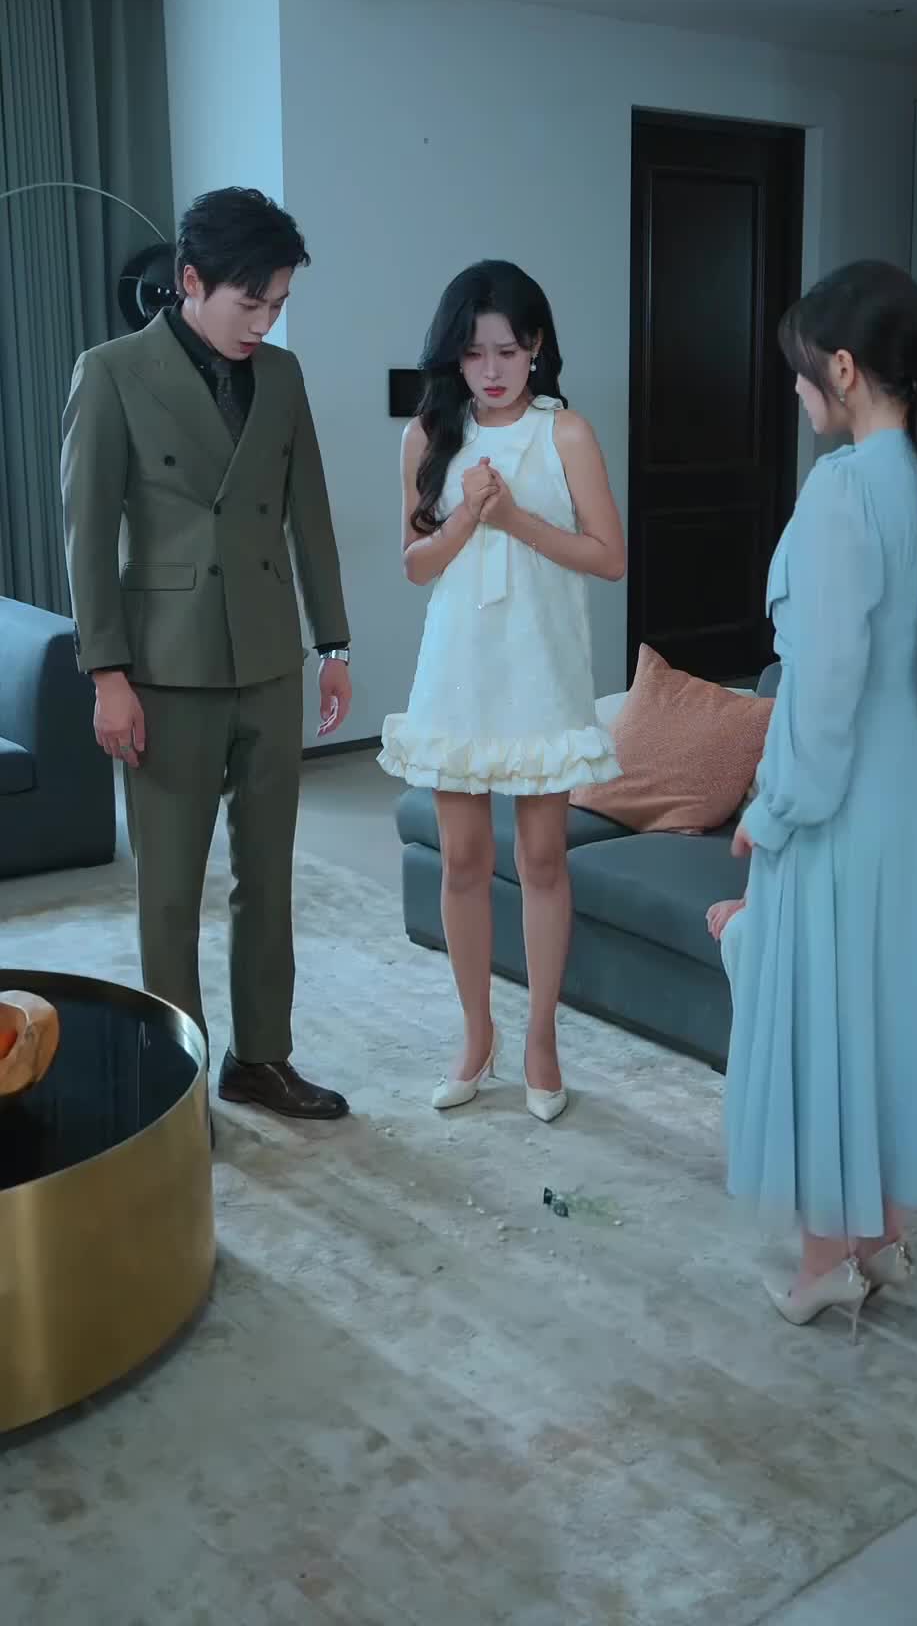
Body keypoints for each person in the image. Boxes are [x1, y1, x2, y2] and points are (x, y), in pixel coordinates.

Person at [707, 260, 917, 1327]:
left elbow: (818, 693)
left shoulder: (843, 492)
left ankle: (825, 1265)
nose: (796, 390)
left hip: (838, 812)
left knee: (824, 1026)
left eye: (802, 370)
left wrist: (771, 810)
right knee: (885, 1019)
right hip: (906, 810)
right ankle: (882, 1240)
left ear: (846, 368)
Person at [61, 187, 353, 1122]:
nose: (264, 323)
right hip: (164, 667)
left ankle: (260, 1058)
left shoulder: (285, 375)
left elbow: (309, 511)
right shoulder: (111, 373)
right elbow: (87, 536)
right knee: (170, 892)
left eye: (278, 304)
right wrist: (107, 675)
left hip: (267, 656)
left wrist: (332, 641)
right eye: (250, 303)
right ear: (190, 281)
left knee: (268, 878)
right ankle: (174, 1086)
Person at [380, 261, 624, 1120]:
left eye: (509, 352)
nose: (491, 370)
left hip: (540, 666)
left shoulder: (567, 435)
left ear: (538, 349)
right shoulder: (427, 436)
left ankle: (541, 1040)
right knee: (461, 860)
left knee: (543, 858)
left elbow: (609, 557)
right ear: (453, 354)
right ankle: (476, 1036)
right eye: (475, 352)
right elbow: (416, 566)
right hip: (459, 668)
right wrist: (464, 518)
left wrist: (514, 518)